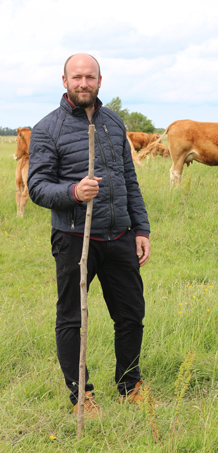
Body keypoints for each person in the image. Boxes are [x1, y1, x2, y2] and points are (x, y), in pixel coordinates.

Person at [27, 53, 151, 418]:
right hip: (73, 238)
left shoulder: (114, 122)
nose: (84, 83)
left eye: (90, 77)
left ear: (100, 80)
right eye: (76, 77)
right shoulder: (47, 128)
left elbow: (130, 180)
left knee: (130, 315)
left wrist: (140, 228)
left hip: (119, 237)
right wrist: (72, 193)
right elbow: (37, 186)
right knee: (72, 318)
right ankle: (81, 395)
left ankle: (130, 386)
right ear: (64, 81)